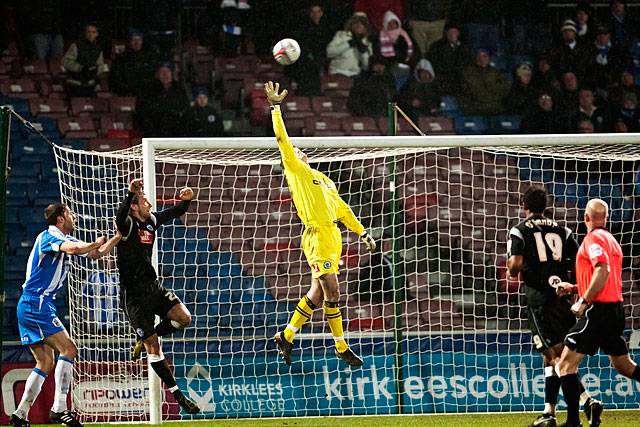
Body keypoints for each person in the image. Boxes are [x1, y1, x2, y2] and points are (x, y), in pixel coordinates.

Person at [264, 81, 376, 366]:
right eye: (296, 150)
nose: (299, 151)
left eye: (301, 149)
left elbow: (343, 209)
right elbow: (282, 140)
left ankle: (286, 335)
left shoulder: (324, 180)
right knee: (333, 291)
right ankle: (340, 344)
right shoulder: (296, 170)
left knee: (317, 292)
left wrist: (362, 232)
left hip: (333, 237)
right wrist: (275, 108)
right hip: (315, 237)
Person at [10, 204, 120, 427]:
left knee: (45, 361)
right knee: (69, 349)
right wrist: (94, 242)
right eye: (70, 213)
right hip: (36, 303)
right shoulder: (50, 235)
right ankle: (59, 408)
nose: (74, 216)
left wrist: (118, 236)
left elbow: (96, 254)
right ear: (60, 219)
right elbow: (75, 250)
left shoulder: (64, 237)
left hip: (35, 304)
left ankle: (20, 414)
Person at [506, 187, 602, 427]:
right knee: (552, 358)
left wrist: (510, 268)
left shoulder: (518, 230)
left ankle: (586, 400)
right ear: (545, 205)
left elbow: (516, 265)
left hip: (539, 301)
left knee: (554, 356)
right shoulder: (563, 230)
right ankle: (549, 411)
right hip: (562, 299)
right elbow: (582, 260)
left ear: (524, 206)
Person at [115, 178, 200, 414]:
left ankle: (144, 338)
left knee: (184, 318)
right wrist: (129, 193)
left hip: (153, 287)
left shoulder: (151, 221)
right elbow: (119, 218)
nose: (150, 204)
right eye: (144, 200)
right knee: (153, 346)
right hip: (133, 295)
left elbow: (178, 211)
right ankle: (178, 395)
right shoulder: (128, 224)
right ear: (134, 206)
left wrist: (187, 199)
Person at [556, 199, 640, 427]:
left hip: (597, 310)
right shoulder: (612, 241)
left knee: (564, 365)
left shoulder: (592, 239)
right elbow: (605, 278)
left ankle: (573, 422)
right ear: (606, 218)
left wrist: (582, 301)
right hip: (615, 310)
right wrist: (573, 288)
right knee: (624, 365)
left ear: (586, 218)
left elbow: (602, 269)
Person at [62, 23, 109, 97]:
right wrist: (81, 68)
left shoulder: (98, 48)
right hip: (75, 83)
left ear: (97, 34)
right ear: (85, 33)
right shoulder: (76, 45)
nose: (91, 35)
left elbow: (100, 64)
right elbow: (66, 62)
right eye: (89, 32)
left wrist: (96, 71)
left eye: (93, 32)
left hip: (90, 83)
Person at [110, 29, 158, 98]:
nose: (136, 42)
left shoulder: (149, 58)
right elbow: (116, 79)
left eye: (139, 40)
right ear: (129, 42)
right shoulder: (121, 59)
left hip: (144, 94)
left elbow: (152, 77)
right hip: (126, 94)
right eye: (134, 40)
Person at [326, 13, 373, 78]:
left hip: (355, 75)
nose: (359, 25)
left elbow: (366, 66)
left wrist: (363, 53)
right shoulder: (341, 35)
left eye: (362, 23)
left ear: (365, 27)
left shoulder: (367, 42)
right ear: (351, 24)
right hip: (337, 72)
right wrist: (348, 44)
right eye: (356, 22)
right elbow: (329, 53)